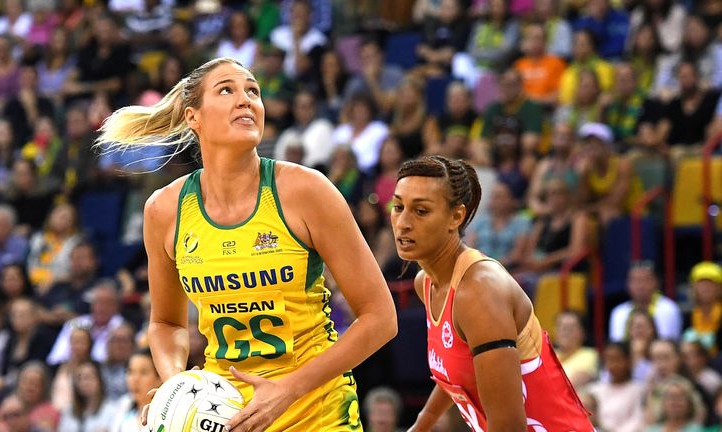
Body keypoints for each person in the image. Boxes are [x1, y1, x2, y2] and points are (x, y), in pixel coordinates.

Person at [96, 56, 397, 430]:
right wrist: (177, 383)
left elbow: (381, 318)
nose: (246, 99)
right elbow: (165, 322)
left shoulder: (306, 190)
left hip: (316, 413)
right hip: (226, 417)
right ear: (194, 117)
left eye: (253, 91)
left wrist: (287, 389)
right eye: (227, 90)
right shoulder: (163, 210)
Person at [390, 155, 592, 431]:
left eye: (421, 211)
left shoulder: (478, 292)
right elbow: (456, 372)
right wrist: (420, 426)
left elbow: (508, 427)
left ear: (456, 217)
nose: (403, 222)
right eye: (398, 206)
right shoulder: (425, 283)